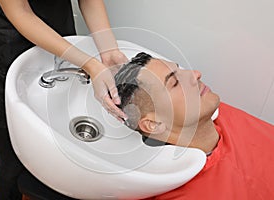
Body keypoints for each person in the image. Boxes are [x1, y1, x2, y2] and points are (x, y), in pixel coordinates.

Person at [0, 0, 127, 199]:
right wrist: (90, 64)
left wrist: (109, 51)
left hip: (61, 43)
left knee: (57, 145)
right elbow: (20, 12)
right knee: (11, 160)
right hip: (9, 48)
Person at [114, 52, 274, 200]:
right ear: (154, 124)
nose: (196, 74)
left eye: (180, 70)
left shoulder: (216, 109)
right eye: (175, 83)